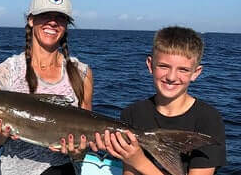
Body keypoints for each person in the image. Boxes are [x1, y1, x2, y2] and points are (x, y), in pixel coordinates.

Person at [0, 0, 93, 175]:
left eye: (60, 18)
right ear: (31, 19)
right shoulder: (5, 72)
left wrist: (78, 151)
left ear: (67, 25)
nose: (52, 22)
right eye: (45, 15)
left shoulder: (82, 73)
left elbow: (84, 146)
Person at [93, 26, 226, 175]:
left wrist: (139, 161)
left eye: (183, 69)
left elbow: (136, 163)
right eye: (163, 66)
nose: (171, 77)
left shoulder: (208, 119)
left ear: (196, 73)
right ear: (150, 65)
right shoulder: (132, 113)